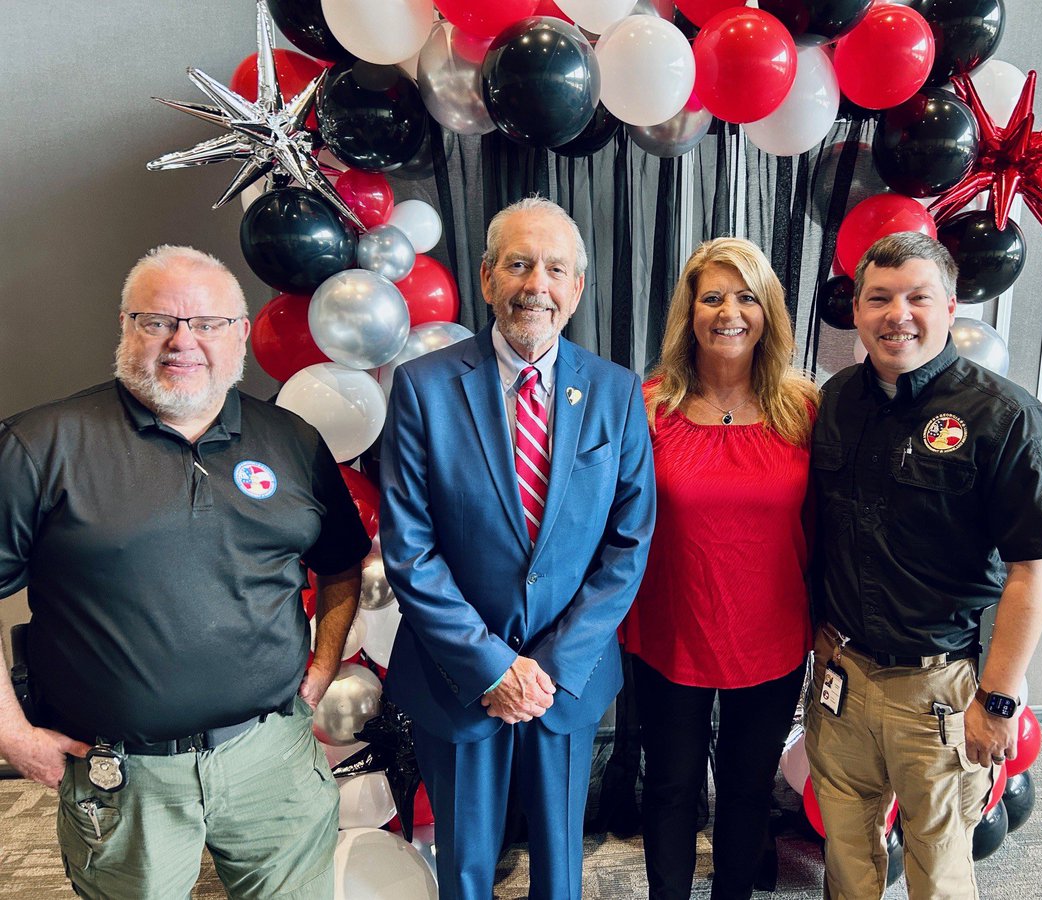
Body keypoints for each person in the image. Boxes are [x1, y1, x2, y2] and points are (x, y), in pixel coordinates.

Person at [0, 245, 370, 899]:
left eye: (207, 324)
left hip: (272, 760)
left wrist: (322, 664)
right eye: (158, 321)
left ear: (240, 335)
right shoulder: (40, 444)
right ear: (125, 327)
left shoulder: (292, 440)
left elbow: (341, 566)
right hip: (123, 776)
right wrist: (11, 734)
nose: (183, 342)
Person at [378, 196, 656, 900]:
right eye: (520, 265)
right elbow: (410, 548)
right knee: (465, 869)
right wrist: (492, 666)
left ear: (577, 288)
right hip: (459, 677)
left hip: (569, 677)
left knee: (561, 870)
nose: (537, 284)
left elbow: (629, 542)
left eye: (555, 269)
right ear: (487, 277)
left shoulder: (617, 392)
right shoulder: (423, 387)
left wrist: (550, 667)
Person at [806, 232, 1042, 899]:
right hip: (841, 677)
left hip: (940, 692)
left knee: (940, 870)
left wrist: (999, 699)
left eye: (917, 297)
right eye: (879, 298)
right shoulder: (838, 398)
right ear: (859, 311)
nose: (897, 313)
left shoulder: (1005, 417)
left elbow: (1033, 571)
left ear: (950, 304)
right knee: (847, 861)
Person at [621, 237, 820, 900]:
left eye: (745, 297)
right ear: (690, 311)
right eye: (712, 297)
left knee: (745, 790)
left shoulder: (805, 411)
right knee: (672, 786)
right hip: (669, 631)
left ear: (768, 312)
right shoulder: (648, 407)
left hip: (771, 635)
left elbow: (825, 528)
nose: (728, 312)